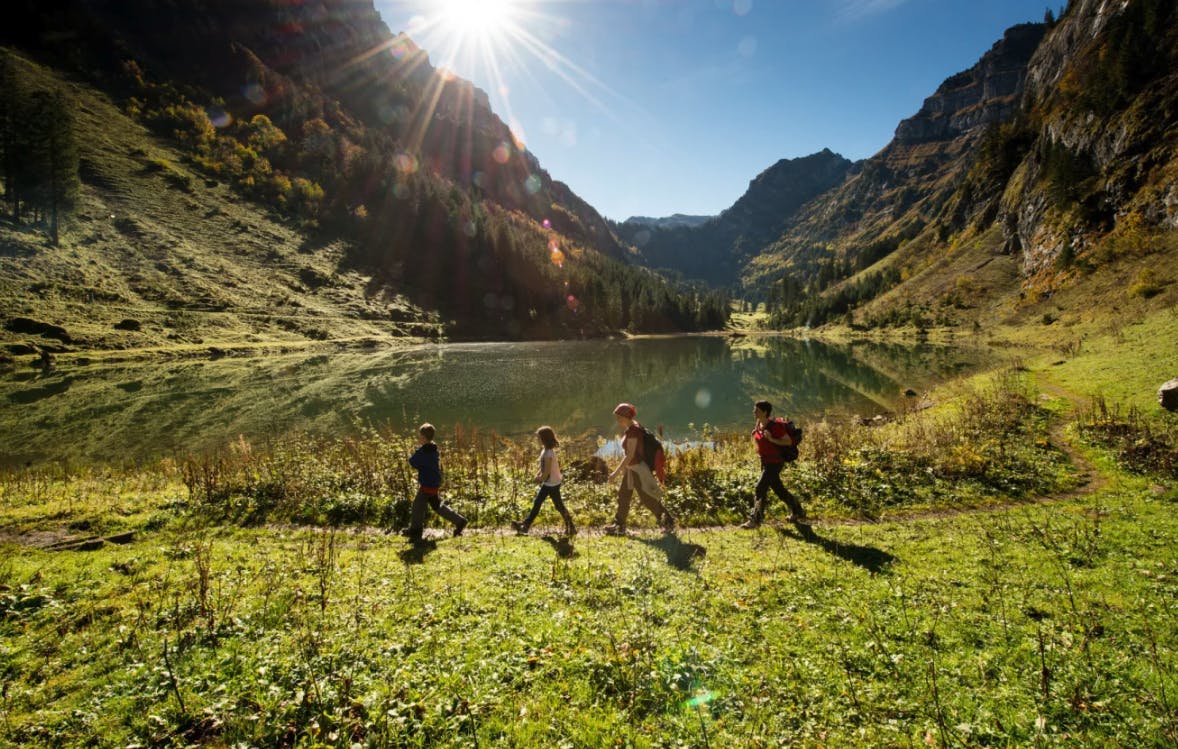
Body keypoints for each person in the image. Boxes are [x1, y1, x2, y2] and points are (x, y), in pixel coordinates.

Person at [604, 403, 675, 535]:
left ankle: (668, 522)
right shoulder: (633, 427)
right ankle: (619, 525)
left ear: (627, 416)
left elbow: (630, 455)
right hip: (631, 469)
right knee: (623, 495)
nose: (618, 420)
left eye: (620, 417)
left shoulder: (633, 431)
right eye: (617, 417)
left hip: (637, 470)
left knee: (647, 498)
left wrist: (615, 473)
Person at [741, 400, 808, 529]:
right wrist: (756, 433)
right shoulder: (760, 424)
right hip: (765, 461)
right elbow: (760, 438)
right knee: (779, 490)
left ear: (765, 412)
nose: (753, 412)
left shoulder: (774, 426)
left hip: (774, 462)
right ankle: (798, 511)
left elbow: (788, 442)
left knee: (760, 489)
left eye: (757, 410)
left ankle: (755, 520)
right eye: (754, 409)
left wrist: (771, 439)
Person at [404, 423, 467, 542]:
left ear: (423, 438)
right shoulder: (433, 449)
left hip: (427, 484)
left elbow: (413, 462)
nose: (418, 438)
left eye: (420, 436)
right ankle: (460, 521)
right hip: (434, 482)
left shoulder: (423, 452)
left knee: (417, 506)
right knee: (436, 505)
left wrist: (414, 453)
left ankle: (415, 530)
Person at [511, 426, 577, 536]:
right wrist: (538, 473)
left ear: (544, 439)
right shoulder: (545, 451)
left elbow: (546, 472)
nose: (537, 440)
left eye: (539, 438)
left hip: (552, 483)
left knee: (557, 505)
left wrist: (539, 479)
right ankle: (526, 525)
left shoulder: (548, 454)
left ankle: (571, 527)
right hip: (549, 482)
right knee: (539, 503)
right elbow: (543, 467)